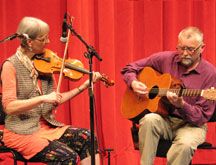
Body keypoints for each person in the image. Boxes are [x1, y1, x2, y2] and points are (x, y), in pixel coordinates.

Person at [1, 16, 101, 165]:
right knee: (68, 157)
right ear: (29, 42)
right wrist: (42, 98)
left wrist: (84, 86)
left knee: (87, 137)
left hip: (47, 127)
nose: (48, 42)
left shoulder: (45, 63)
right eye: (43, 39)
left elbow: (55, 99)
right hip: (21, 133)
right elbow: (9, 107)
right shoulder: (11, 66)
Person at [121, 26, 216, 165]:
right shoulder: (165, 59)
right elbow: (130, 68)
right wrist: (133, 83)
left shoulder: (210, 73)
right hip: (164, 119)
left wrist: (182, 105)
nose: (184, 53)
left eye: (190, 49)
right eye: (181, 48)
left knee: (185, 145)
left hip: (191, 125)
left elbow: (201, 117)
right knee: (148, 120)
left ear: (202, 48)